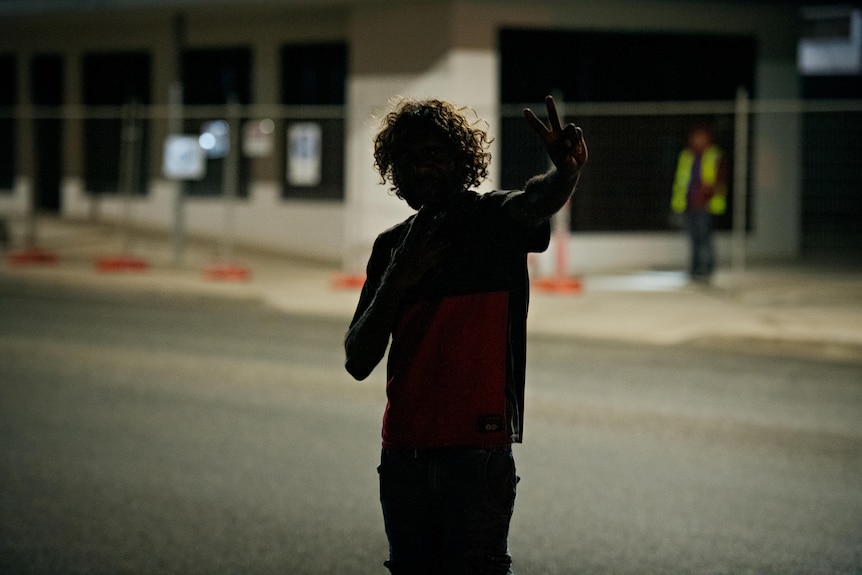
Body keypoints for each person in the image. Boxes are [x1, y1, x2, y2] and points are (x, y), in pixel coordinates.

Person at [343, 94, 587, 574]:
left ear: (460, 160)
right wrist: (398, 277)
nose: (422, 169)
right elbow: (357, 359)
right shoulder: (390, 248)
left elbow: (536, 201)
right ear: (395, 173)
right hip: (404, 458)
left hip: (476, 458)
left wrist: (566, 173)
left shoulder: (494, 222)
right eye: (408, 160)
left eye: (434, 154)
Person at [671, 125, 727, 283]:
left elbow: (719, 181)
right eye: (695, 137)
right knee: (693, 240)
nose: (697, 140)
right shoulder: (687, 155)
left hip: (706, 206)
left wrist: (706, 195)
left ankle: (707, 270)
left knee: (705, 239)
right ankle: (695, 270)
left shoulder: (714, 155)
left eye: (701, 137)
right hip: (689, 205)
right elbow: (681, 181)